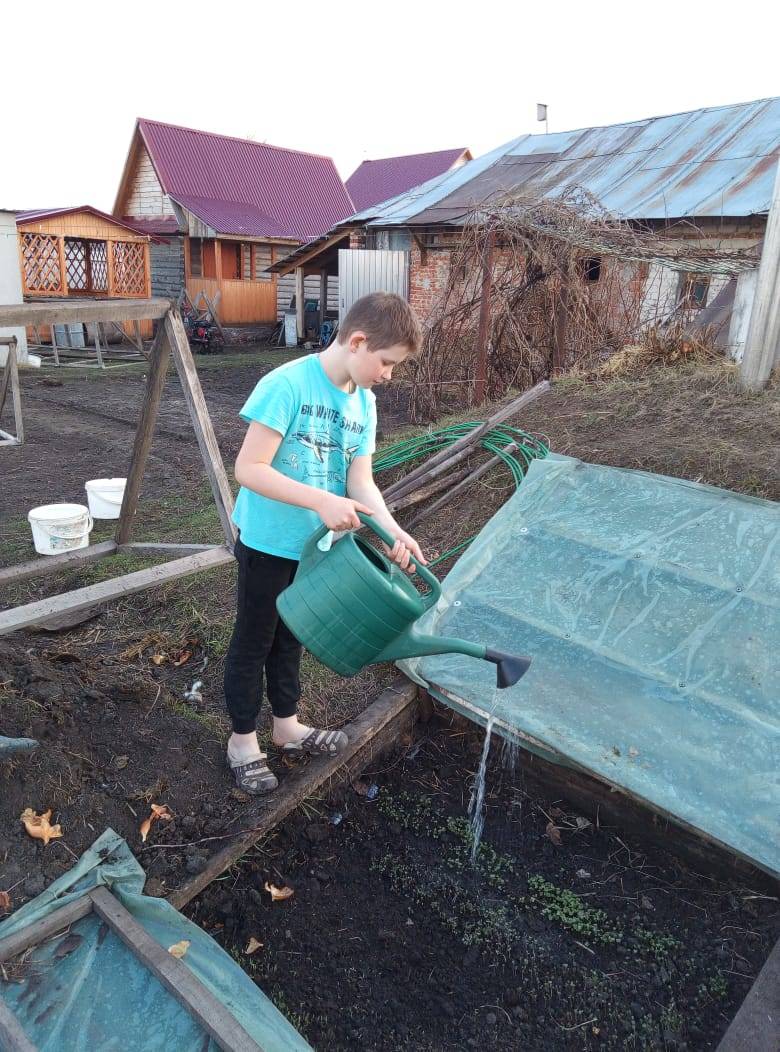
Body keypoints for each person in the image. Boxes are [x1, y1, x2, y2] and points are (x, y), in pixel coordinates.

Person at [224, 292, 426, 793]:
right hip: (270, 541)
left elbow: (361, 483)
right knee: (256, 639)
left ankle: (287, 726)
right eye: (386, 363)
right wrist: (319, 501)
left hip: (316, 549)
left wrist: (393, 530)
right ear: (357, 341)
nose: (388, 375)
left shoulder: (365, 404)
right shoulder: (287, 384)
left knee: (292, 635)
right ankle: (242, 740)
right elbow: (248, 469)